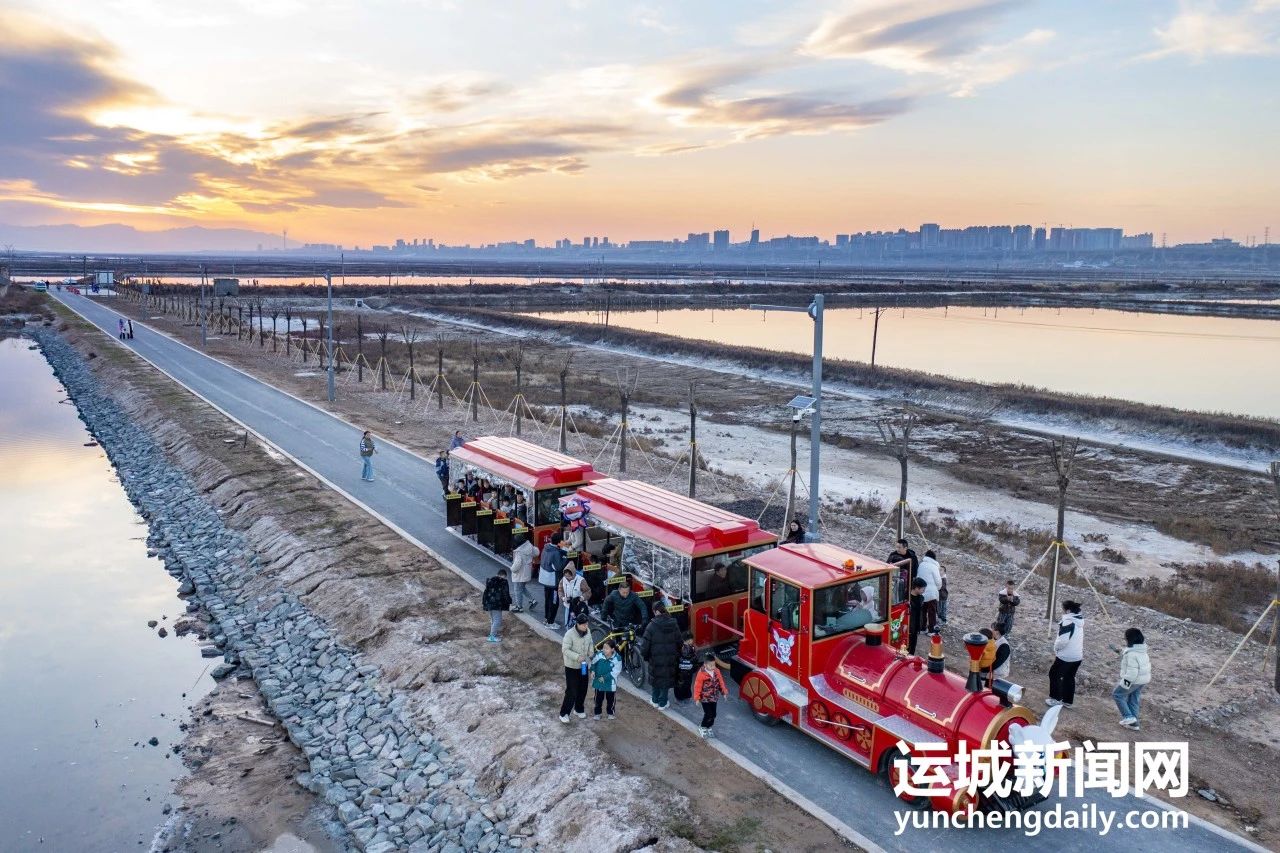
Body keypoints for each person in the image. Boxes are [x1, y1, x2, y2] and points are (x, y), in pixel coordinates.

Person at [641, 602, 681, 709]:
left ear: (655, 611)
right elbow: (680, 642)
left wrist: (646, 657)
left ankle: (655, 700)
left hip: (655, 659)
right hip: (670, 659)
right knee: (665, 681)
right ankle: (663, 703)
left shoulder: (651, 626)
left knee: (656, 680)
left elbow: (644, 647)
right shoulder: (673, 624)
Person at [1110, 628, 1151, 730]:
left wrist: (1124, 684)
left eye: (1126, 637)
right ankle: (1134, 724)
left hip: (1133, 680)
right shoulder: (1141, 650)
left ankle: (1128, 717)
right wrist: (1120, 652)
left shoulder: (1131, 654)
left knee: (1117, 695)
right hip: (1143, 679)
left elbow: (1132, 673)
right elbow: (1130, 654)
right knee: (1133, 699)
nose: (1125, 639)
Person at [1047, 600, 1085, 708]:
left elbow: (1063, 641)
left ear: (1067, 610)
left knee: (1054, 674)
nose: (1062, 610)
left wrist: (1056, 648)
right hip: (1077, 656)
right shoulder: (1079, 621)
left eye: (1063, 608)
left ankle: (1056, 699)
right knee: (1069, 677)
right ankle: (1068, 701)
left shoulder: (1068, 621)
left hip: (1066, 656)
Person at [558, 613, 593, 722]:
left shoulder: (588, 632)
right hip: (572, 667)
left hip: (583, 666)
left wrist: (591, 651)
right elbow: (565, 650)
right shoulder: (569, 634)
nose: (586, 626)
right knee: (572, 690)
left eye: (586, 624)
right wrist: (577, 657)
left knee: (583, 688)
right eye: (583, 625)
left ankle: (578, 709)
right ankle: (564, 713)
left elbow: (590, 643)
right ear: (577, 624)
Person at [694, 653, 729, 738]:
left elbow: (721, 682)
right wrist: (697, 698)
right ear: (705, 665)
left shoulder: (717, 671)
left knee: (714, 714)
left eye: (714, 665)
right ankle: (702, 727)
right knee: (708, 714)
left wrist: (724, 692)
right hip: (705, 698)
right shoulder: (701, 674)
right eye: (711, 665)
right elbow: (697, 686)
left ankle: (709, 726)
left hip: (714, 697)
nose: (713, 667)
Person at [591, 639, 622, 720]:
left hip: (610, 683)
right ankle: (597, 713)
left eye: (606, 648)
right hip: (599, 681)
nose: (604, 650)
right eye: (603, 648)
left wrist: (604, 678)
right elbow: (593, 663)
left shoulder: (617, 659)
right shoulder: (599, 655)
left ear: (612, 649)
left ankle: (610, 713)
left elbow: (615, 672)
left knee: (611, 699)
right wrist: (593, 671)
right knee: (598, 699)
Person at [915, 550, 943, 632]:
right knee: (932, 612)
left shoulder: (921, 565)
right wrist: (938, 588)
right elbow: (938, 581)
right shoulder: (934, 567)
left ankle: (922, 628)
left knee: (923, 611)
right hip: (932, 593)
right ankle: (931, 630)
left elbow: (917, 577)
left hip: (922, 592)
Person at [481, 569, 511, 643]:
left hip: (488, 604)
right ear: (503, 576)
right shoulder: (503, 582)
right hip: (497, 604)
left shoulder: (490, 581)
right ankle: (492, 637)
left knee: (493, 620)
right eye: (504, 577)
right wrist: (509, 601)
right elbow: (506, 593)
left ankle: (493, 634)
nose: (504, 579)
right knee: (497, 620)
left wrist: (484, 603)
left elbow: (485, 593)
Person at [886, 538, 919, 603]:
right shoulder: (893, 555)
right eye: (897, 547)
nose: (897, 549)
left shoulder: (912, 557)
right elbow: (887, 566)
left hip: (908, 583)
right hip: (894, 582)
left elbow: (915, 571)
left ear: (905, 548)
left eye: (899, 547)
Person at [509, 538, 536, 613]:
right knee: (522, 588)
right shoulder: (529, 546)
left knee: (517, 590)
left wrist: (512, 569)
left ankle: (519, 607)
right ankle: (532, 600)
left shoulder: (519, 552)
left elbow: (517, 564)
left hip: (520, 574)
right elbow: (536, 552)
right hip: (527, 572)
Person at [559, 564, 588, 628]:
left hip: (579, 606)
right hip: (568, 606)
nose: (567, 578)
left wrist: (581, 598)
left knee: (579, 625)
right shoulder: (563, 579)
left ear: (573, 574)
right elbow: (560, 590)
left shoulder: (581, 580)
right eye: (566, 576)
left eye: (569, 576)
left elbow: (588, 592)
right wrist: (563, 598)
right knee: (568, 625)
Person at [673, 632, 697, 704]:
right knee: (686, 685)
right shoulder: (691, 648)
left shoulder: (679, 647)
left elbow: (676, 660)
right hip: (687, 672)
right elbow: (695, 660)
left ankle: (680, 698)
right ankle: (685, 697)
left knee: (681, 685)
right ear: (689, 640)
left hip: (681, 672)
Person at [907, 577, 927, 655]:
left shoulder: (921, 598)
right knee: (907, 646)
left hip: (916, 626)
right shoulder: (907, 598)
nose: (924, 591)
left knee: (913, 645)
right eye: (923, 589)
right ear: (916, 588)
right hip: (909, 626)